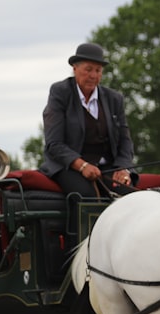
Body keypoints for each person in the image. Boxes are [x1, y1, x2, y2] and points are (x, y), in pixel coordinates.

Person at [40, 43, 137, 198]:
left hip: (107, 167)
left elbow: (125, 141)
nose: (93, 75)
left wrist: (122, 168)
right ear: (75, 68)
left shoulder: (114, 99)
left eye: (98, 70)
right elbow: (54, 144)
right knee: (86, 195)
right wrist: (82, 165)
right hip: (69, 167)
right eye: (88, 69)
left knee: (129, 196)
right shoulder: (60, 92)